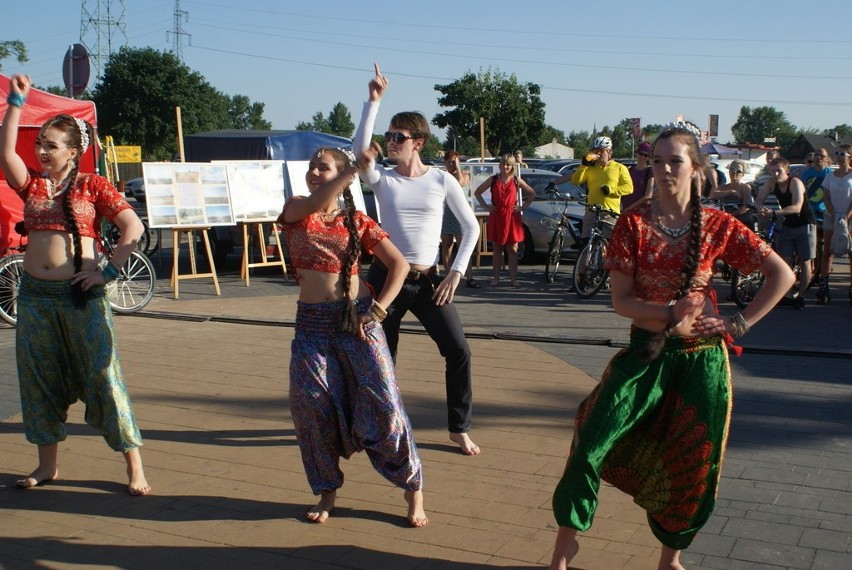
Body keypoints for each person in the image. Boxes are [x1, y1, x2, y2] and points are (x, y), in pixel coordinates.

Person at [548, 125, 795, 570]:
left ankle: (670, 559)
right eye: (656, 160)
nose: (662, 169)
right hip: (646, 355)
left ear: (695, 167)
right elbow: (622, 303)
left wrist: (737, 323)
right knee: (590, 440)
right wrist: (672, 313)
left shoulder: (718, 224)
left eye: (674, 160)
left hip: (702, 366)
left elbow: (783, 275)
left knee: (691, 465)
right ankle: (565, 545)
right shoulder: (632, 223)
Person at [0, 74, 151, 496]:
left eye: (51, 145)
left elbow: (131, 226)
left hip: (80, 298)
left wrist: (108, 271)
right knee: (38, 378)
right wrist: (16, 102)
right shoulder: (31, 183)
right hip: (34, 297)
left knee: (104, 378)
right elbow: (4, 150)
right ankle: (47, 466)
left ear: (73, 150)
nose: (42, 151)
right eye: (40, 144)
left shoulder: (92, 185)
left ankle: (134, 466)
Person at [277, 146, 428, 527]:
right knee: (310, 407)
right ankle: (327, 491)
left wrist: (378, 311)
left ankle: (414, 491)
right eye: (311, 165)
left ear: (341, 174)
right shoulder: (296, 209)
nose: (313, 171)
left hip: (357, 323)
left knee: (386, 405)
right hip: (312, 325)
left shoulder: (357, 221)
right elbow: (313, 202)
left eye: (322, 167)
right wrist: (351, 171)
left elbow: (400, 265)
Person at [354, 64, 482, 456]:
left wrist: (455, 273)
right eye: (388, 135)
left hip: (427, 281)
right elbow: (360, 153)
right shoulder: (383, 179)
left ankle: (458, 427)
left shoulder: (441, 179)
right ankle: (380, 426)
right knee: (382, 357)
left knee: (458, 350)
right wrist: (373, 102)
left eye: (398, 136)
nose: (390, 141)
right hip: (385, 277)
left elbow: (471, 228)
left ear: (418, 142)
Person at [756, 157, 817, 309]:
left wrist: (775, 213)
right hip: (788, 224)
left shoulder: (795, 182)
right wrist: (760, 209)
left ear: (787, 171)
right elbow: (758, 199)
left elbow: (797, 207)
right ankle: (787, 294)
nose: (775, 174)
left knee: (805, 261)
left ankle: (801, 296)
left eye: (779, 171)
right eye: (772, 170)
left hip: (805, 223)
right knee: (785, 261)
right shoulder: (771, 182)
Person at [473, 154, 535, 287]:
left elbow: (532, 193)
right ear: (500, 165)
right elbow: (477, 192)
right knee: (496, 249)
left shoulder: (516, 180)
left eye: (508, 164)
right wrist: (486, 206)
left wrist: (522, 207)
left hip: (512, 217)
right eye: (503, 164)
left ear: (512, 166)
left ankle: (513, 280)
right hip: (497, 216)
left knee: (513, 249)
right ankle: (495, 278)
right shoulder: (493, 180)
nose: (505, 167)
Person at [819, 145, 852, 304]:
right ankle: (824, 283)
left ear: (850, 156)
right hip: (832, 215)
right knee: (828, 250)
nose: (839, 157)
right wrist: (833, 213)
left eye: (842, 154)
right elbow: (825, 197)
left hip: (849, 216)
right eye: (837, 154)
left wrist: (846, 216)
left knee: (850, 250)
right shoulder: (830, 176)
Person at [440, 151, 479, 288]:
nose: (452, 164)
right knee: (447, 246)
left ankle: (469, 276)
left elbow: (460, 183)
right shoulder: (443, 176)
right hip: (446, 213)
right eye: (449, 161)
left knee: (464, 246)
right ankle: (447, 275)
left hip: (460, 215)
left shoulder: (465, 175)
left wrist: (458, 168)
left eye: (454, 161)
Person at [798, 148, 831, 282]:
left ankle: (822, 274)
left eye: (821, 155)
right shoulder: (807, 173)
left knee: (825, 247)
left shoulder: (830, 174)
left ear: (827, 159)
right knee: (810, 243)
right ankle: (810, 271)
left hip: (824, 212)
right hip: (809, 212)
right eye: (816, 155)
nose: (818, 157)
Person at [710, 159, 757, 230]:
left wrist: (732, 215)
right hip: (727, 220)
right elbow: (713, 196)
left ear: (743, 174)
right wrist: (731, 191)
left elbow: (746, 207)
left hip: (742, 222)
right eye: (732, 169)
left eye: (738, 171)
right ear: (729, 172)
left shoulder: (745, 187)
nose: (735, 172)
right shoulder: (723, 187)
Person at [622, 141, 654, 212]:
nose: (643, 157)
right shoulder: (629, 170)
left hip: (640, 213)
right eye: (641, 154)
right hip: (624, 211)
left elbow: (649, 195)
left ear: (649, 157)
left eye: (646, 155)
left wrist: (630, 208)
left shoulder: (650, 171)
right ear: (637, 153)